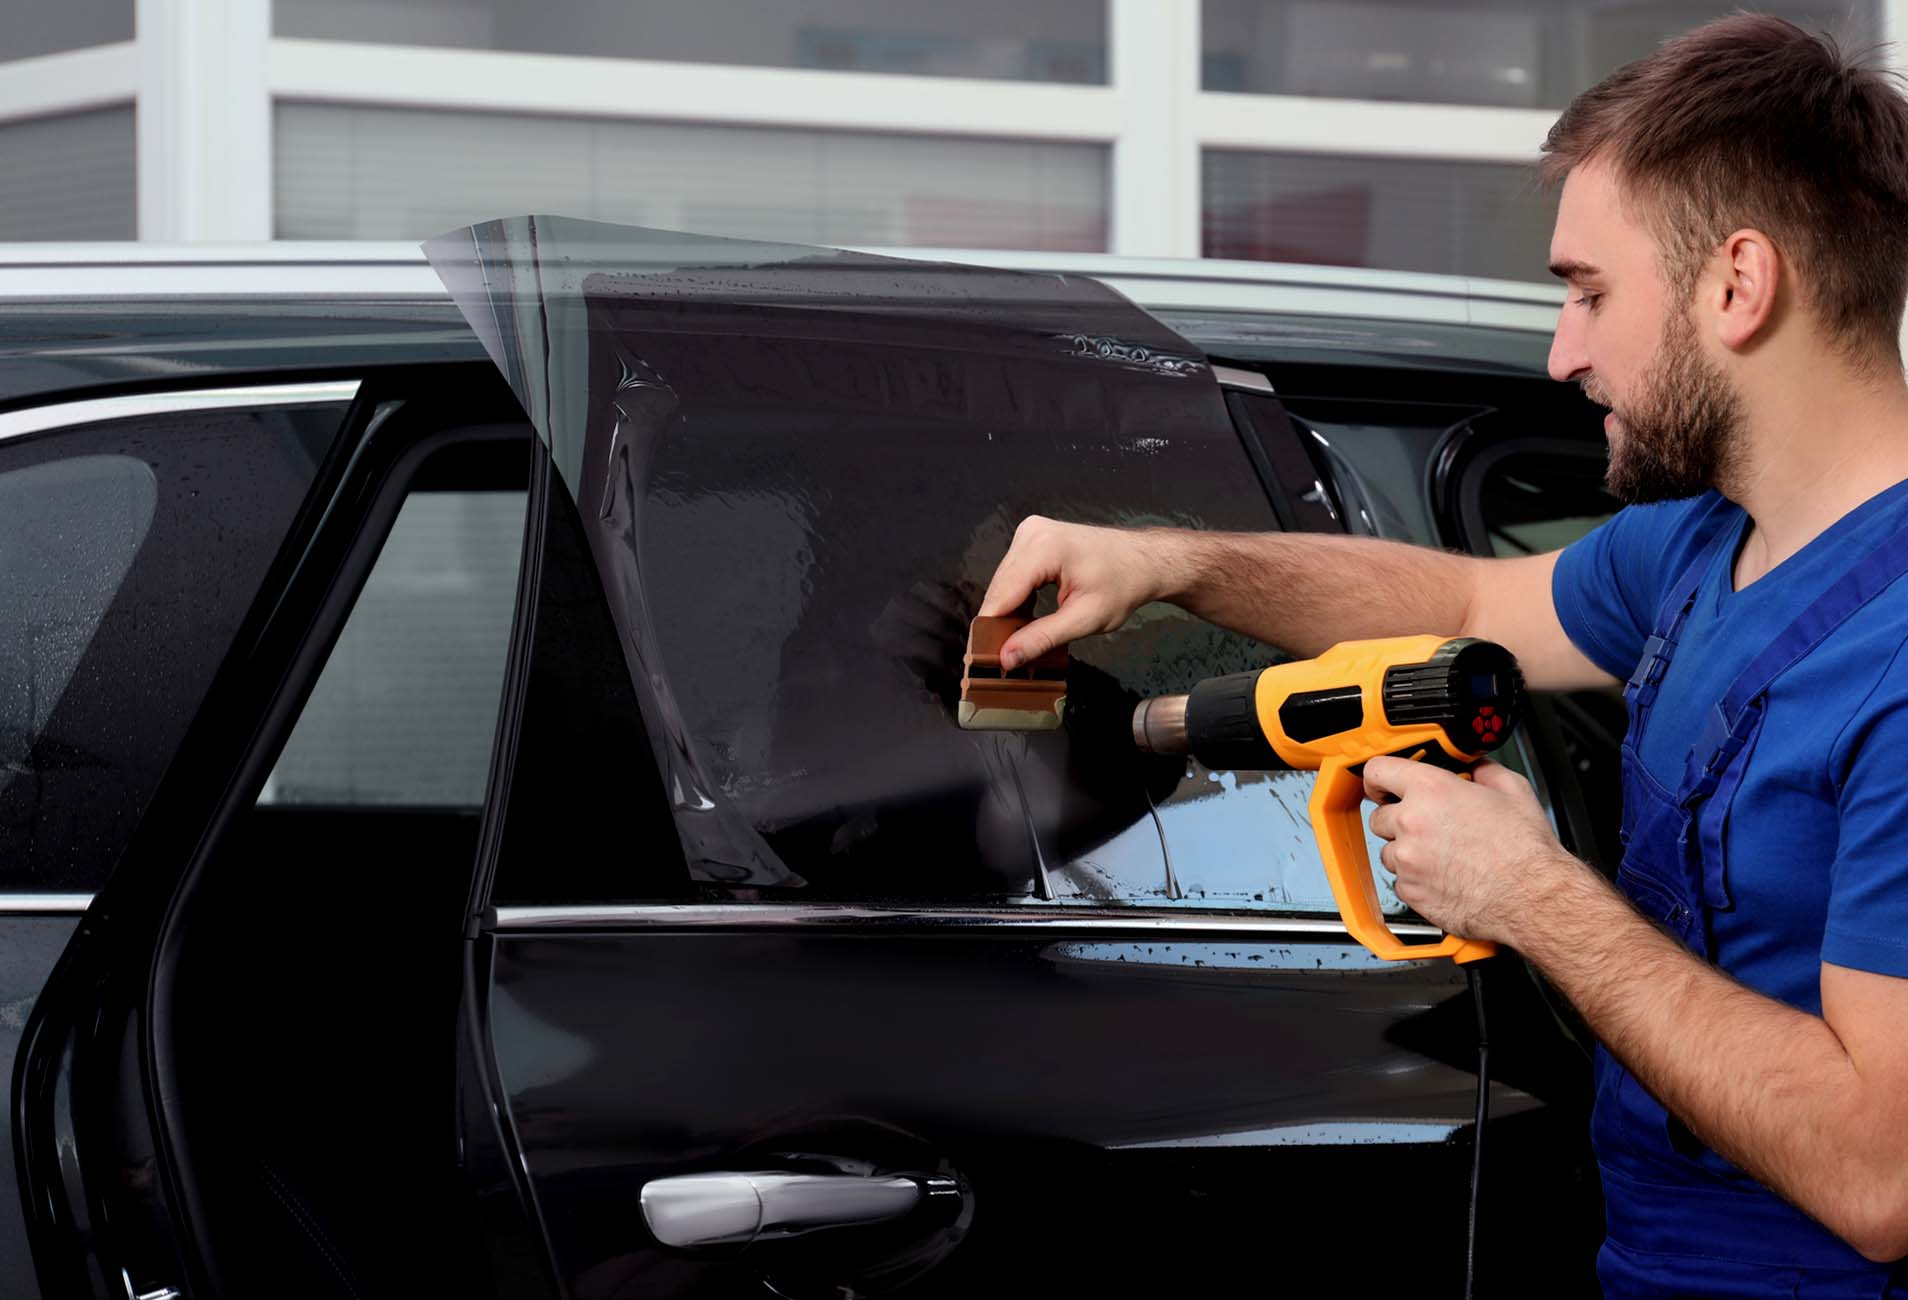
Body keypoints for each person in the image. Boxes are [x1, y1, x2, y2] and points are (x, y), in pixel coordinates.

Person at [979, 15, 1908, 1296]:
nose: (1562, 352)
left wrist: (1529, 892)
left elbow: (1881, 1174)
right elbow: (1464, 595)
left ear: (1737, 285)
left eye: (1589, 292)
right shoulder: (1701, 545)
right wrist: (1168, 564)